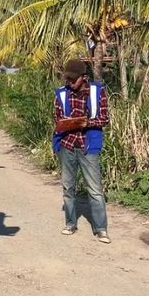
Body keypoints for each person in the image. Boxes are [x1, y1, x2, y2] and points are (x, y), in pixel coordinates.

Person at [54, 58, 111, 242]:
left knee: (94, 189)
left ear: (83, 77)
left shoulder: (97, 92)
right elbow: (58, 119)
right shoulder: (62, 94)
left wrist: (86, 123)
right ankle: (70, 223)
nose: (69, 83)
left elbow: (104, 119)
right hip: (68, 144)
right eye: (67, 79)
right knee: (68, 187)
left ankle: (101, 228)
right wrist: (67, 124)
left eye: (73, 80)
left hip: (88, 144)